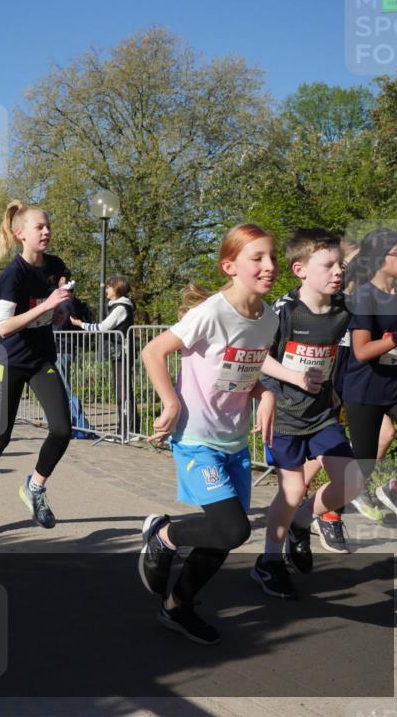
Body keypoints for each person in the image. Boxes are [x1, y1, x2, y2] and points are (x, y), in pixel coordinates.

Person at [139, 223, 278, 645]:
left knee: (221, 538)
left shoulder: (268, 316)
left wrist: (266, 393)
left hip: (233, 439)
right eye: (257, 258)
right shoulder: (212, 312)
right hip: (197, 437)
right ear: (230, 266)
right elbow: (153, 350)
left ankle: (176, 607)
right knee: (234, 529)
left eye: (271, 256)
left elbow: (243, 373)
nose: (269, 266)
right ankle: (164, 536)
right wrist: (172, 403)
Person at [251, 229, 357, 599]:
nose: (337, 272)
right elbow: (258, 356)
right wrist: (294, 374)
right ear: (300, 270)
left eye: (339, 265)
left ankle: (303, 517)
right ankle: (268, 562)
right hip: (284, 415)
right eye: (327, 265)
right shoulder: (284, 311)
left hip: (322, 414)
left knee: (354, 478)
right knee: (291, 488)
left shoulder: (345, 307)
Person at [0, 200, 73, 535]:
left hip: (42, 358)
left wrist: (58, 313)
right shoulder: (13, 273)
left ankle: (35, 488)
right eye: (39, 227)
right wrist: (47, 305)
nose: (46, 231)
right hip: (12, 360)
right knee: (0, 436)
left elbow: (58, 309)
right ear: (20, 234)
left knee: (62, 429)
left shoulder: (56, 266)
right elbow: (4, 326)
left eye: (48, 226)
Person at [340, 228, 397, 540]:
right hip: (366, 390)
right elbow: (362, 351)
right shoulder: (364, 297)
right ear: (378, 259)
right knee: (364, 465)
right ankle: (319, 513)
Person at [72, 275, 137, 436]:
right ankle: (125, 429)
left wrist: (81, 324)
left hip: (122, 352)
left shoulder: (121, 307)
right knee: (120, 390)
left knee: (123, 391)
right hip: (118, 353)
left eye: (109, 286)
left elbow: (103, 327)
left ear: (117, 288)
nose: (106, 289)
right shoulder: (116, 306)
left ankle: (130, 430)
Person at [53, 270, 93, 391]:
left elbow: (60, 325)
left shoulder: (64, 305)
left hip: (62, 347)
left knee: (63, 386)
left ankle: (76, 411)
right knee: (63, 384)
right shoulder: (74, 303)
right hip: (66, 347)